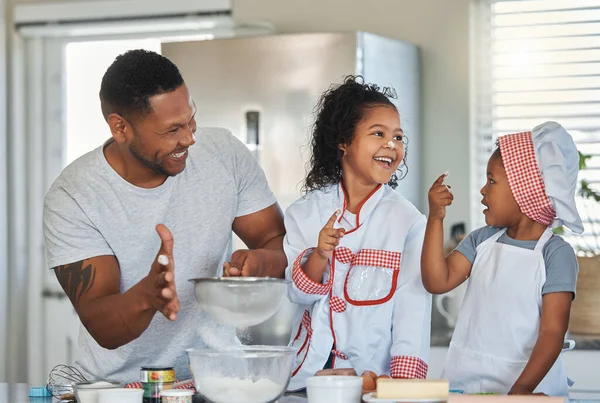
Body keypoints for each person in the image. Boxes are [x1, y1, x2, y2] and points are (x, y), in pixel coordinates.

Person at [43, 49, 287, 382]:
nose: (189, 138)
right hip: (120, 389)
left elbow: (278, 242)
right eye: (172, 130)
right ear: (120, 128)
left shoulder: (224, 154)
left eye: (191, 119)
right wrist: (148, 295)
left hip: (219, 381)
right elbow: (102, 326)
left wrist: (261, 263)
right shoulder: (74, 195)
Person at [283, 76, 431, 391]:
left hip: (373, 381)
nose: (392, 145)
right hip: (308, 377)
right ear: (343, 141)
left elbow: (413, 313)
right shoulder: (304, 213)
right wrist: (320, 255)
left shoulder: (410, 223)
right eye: (378, 134)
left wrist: (401, 387)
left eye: (399, 137)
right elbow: (297, 294)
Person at [422, 121, 582, 395]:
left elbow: (552, 332)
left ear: (526, 193)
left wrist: (519, 393)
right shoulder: (481, 240)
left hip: (529, 389)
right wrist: (435, 219)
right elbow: (437, 281)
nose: (483, 190)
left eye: (492, 181)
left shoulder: (555, 255)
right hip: (468, 386)